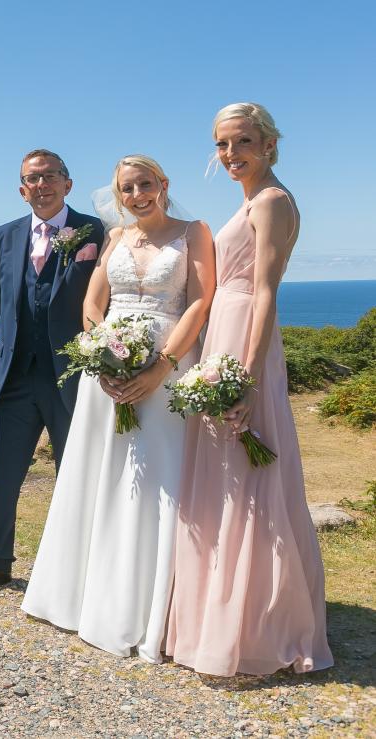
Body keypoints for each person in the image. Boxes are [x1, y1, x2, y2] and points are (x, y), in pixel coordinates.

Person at [20, 155, 214, 661]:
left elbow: (200, 299)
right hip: (107, 368)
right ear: (118, 194)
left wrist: (160, 366)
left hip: (167, 365)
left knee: (158, 478)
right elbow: (92, 303)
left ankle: (151, 610)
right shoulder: (115, 239)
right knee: (102, 473)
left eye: (145, 185)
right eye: (127, 189)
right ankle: (85, 597)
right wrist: (101, 353)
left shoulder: (194, 232)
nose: (136, 195)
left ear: (163, 184)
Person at [164, 103, 333, 675]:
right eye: (221, 145)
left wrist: (247, 376)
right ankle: (217, 613)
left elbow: (265, 292)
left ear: (269, 143)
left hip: (245, 345)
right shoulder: (253, 199)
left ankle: (256, 624)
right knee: (223, 475)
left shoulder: (274, 202)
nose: (231, 154)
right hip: (224, 335)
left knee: (249, 473)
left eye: (242, 142)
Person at [0, 149, 104, 595]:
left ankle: (76, 571)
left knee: (77, 476)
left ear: (67, 183)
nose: (41, 185)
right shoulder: (3, 235)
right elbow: (3, 299)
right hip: (14, 376)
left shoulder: (95, 231)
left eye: (49, 177)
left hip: (71, 375)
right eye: (31, 179)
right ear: (22, 189)